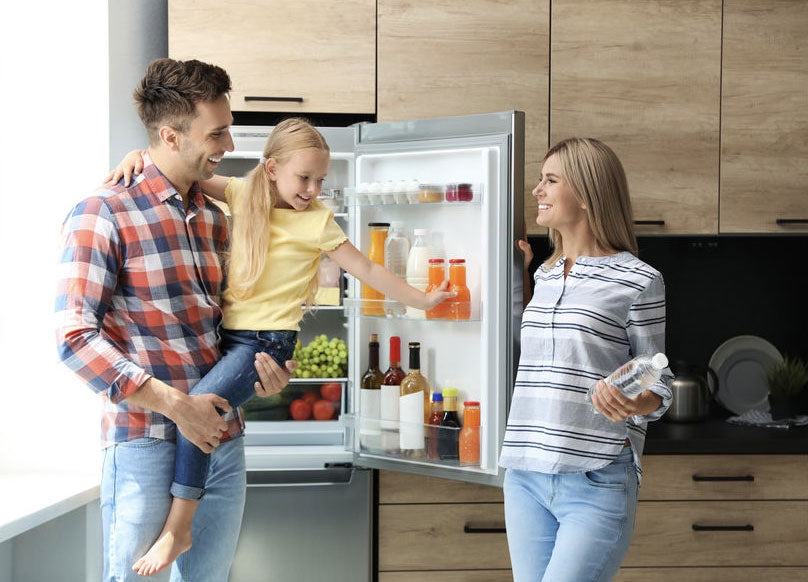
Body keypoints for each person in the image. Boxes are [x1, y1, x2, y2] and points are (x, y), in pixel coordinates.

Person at [108, 117, 454, 576]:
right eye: (303, 177)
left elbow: (369, 270)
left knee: (199, 410)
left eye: (320, 180)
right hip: (229, 337)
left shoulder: (318, 223)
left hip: (266, 343)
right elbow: (180, 171)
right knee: (204, 415)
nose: (312, 189)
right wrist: (139, 157)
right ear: (270, 169)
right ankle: (180, 524)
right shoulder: (241, 194)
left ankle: (179, 525)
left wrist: (424, 300)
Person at [56, 58, 294, 582]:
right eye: (217, 133)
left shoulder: (214, 219)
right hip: (144, 440)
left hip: (221, 439)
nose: (228, 146)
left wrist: (265, 373)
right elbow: (74, 338)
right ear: (170, 135)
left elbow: (229, 329)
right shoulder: (104, 212)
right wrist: (177, 406)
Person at [499, 138, 673, 582]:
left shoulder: (638, 280)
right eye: (540, 180)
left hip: (596, 476)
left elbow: (658, 376)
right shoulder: (545, 273)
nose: (537, 190)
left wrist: (636, 402)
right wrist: (521, 274)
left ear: (588, 193)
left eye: (551, 180)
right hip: (525, 474)